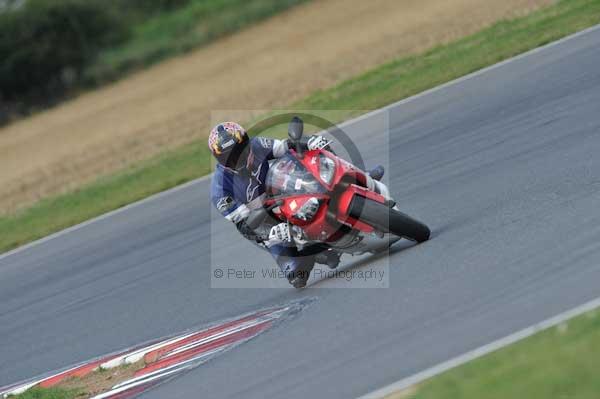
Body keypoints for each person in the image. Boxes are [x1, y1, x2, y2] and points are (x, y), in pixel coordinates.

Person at [209, 121, 386, 288]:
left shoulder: (257, 145)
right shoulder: (220, 190)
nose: (238, 158)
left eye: (240, 150)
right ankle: (316, 252)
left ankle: (357, 177)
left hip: (284, 190)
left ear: (247, 143)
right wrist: (271, 234)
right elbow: (244, 226)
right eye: (229, 157)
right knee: (296, 276)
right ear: (220, 160)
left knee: (316, 153)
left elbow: (287, 146)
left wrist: (310, 141)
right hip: (265, 222)